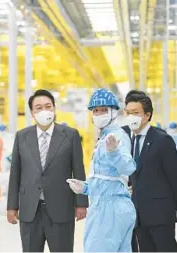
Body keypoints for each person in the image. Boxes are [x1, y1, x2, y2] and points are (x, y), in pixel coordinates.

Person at [7, 89, 88, 252]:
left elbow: (78, 170)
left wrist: (81, 203)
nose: (44, 110)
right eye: (38, 107)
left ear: (54, 109)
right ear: (32, 112)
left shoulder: (70, 135)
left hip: (61, 208)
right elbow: (15, 173)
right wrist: (11, 206)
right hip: (30, 209)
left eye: (48, 106)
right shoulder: (22, 136)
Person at [67, 88, 137, 252]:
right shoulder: (103, 137)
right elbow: (107, 177)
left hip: (110, 210)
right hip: (110, 207)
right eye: (95, 111)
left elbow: (129, 167)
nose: (99, 114)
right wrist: (85, 187)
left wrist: (115, 153)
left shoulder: (116, 137)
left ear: (113, 112)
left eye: (103, 110)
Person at [124, 90, 177, 252]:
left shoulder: (161, 140)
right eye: (128, 113)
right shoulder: (128, 140)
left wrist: (173, 207)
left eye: (135, 113)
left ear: (147, 115)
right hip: (138, 215)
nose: (130, 117)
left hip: (161, 213)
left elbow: (175, 177)